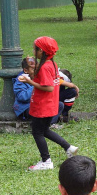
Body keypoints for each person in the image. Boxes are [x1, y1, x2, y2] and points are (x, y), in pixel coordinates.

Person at [17, 37, 78, 171]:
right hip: (50, 105)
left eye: (35, 49)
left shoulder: (44, 67)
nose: (33, 51)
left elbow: (49, 87)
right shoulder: (52, 64)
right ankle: (68, 147)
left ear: (42, 51)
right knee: (44, 130)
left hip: (42, 106)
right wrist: (33, 67)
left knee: (37, 132)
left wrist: (29, 82)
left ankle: (46, 161)